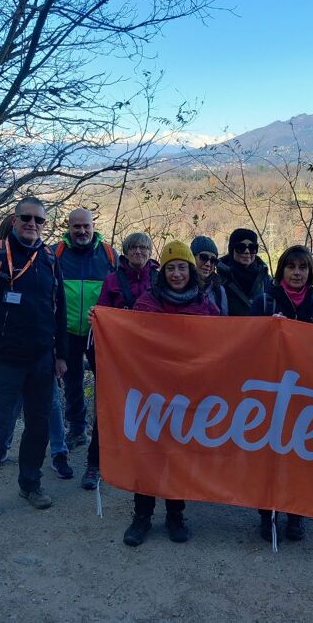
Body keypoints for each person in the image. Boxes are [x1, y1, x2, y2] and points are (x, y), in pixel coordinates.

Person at [0, 196, 68, 533]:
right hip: (4, 362)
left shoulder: (49, 259)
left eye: (39, 220)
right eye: (26, 218)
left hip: (41, 362)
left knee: (38, 430)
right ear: (14, 220)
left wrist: (61, 356)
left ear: (44, 225)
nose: (32, 224)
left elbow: (59, 311)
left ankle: (30, 484)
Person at [122, 240, 219, 547]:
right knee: (148, 454)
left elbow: (225, 341)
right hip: (152, 392)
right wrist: (102, 323)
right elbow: (132, 339)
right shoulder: (148, 302)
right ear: (162, 272)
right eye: (171, 268)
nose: (177, 274)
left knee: (179, 455)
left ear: (191, 270)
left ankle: (175, 515)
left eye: (182, 267)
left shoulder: (206, 305)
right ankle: (141, 516)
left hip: (189, 395)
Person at [249, 244, 313, 543]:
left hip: (304, 394)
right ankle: (267, 514)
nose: (297, 273)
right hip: (269, 392)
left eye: (303, 267)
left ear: (310, 272)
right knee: (268, 456)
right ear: (282, 270)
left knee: (299, 457)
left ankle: (296, 515)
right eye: (291, 267)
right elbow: (246, 343)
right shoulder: (264, 301)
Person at [80, 232, 158, 491]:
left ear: (150, 251)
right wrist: (98, 317)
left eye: (143, 247)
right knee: (108, 409)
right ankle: (95, 463)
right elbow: (102, 313)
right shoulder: (112, 281)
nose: (139, 252)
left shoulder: (159, 279)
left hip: (152, 359)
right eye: (134, 247)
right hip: (118, 358)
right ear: (125, 252)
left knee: (152, 411)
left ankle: (145, 463)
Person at [53, 208, 118, 449]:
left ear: (93, 226)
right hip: (66, 331)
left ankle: (103, 433)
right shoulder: (55, 253)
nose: (81, 231)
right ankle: (77, 430)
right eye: (76, 226)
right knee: (72, 383)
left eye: (86, 226)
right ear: (68, 227)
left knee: (106, 383)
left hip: (98, 333)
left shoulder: (109, 255)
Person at [217, 228, 270, 316]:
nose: (247, 251)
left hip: (259, 329)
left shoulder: (266, 279)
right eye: (241, 247)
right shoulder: (219, 279)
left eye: (252, 248)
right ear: (232, 249)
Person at [191, 235, 228, 315]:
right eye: (203, 257)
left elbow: (224, 323)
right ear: (192, 258)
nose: (208, 264)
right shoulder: (180, 285)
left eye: (213, 260)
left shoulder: (219, 291)